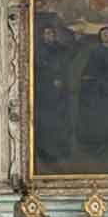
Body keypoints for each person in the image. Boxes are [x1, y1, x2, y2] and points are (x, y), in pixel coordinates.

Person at [35, 26, 74, 165]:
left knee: (62, 121)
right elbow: (40, 68)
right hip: (45, 91)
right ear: (42, 36)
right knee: (47, 122)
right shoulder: (39, 50)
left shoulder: (60, 48)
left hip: (61, 91)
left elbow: (70, 55)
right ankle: (46, 154)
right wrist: (53, 79)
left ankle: (62, 151)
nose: (49, 35)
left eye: (51, 33)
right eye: (46, 33)